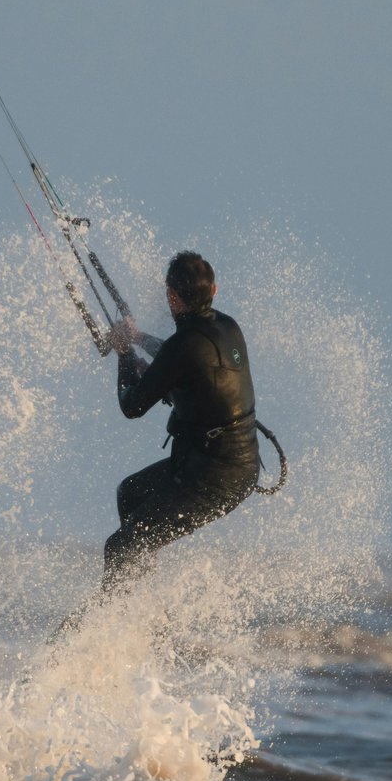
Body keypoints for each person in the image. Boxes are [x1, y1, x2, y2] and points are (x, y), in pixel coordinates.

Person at [100, 251, 260, 591]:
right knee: (131, 494)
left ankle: (111, 620)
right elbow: (185, 360)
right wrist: (138, 337)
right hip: (221, 466)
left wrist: (124, 352)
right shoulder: (228, 327)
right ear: (213, 291)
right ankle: (141, 601)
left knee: (120, 546)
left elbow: (132, 406)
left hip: (215, 477)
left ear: (173, 296)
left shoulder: (183, 347)